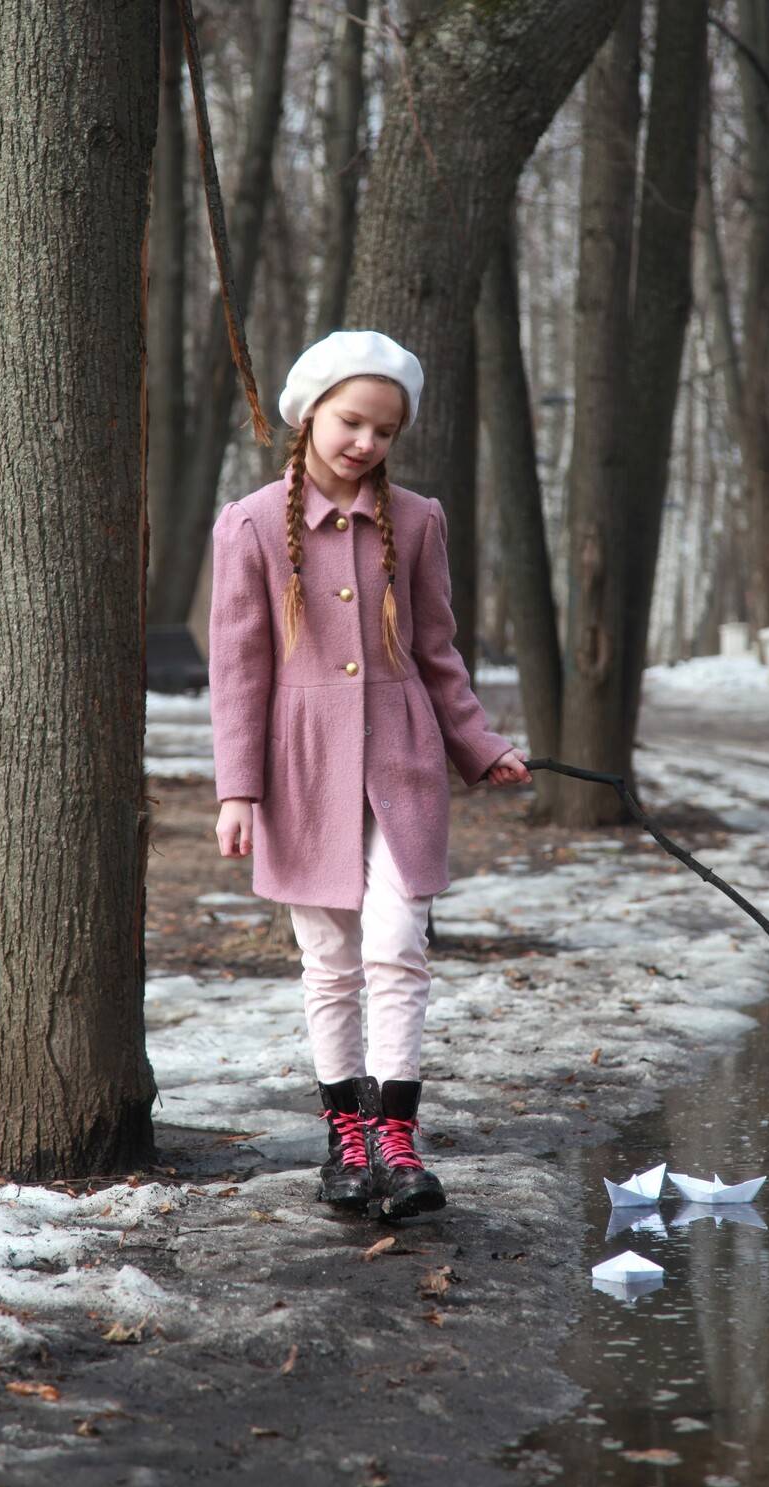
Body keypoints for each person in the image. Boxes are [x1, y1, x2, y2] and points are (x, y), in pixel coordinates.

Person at [209, 329, 531, 1219]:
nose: (366, 442)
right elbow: (237, 672)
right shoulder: (250, 525)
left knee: (398, 944)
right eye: (352, 421)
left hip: (404, 764)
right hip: (301, 771)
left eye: (385, 431)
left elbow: (439, 654)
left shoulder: (418, 520)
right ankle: (344, 1140)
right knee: (329, 961)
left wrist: (479, 745)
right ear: (310, 413)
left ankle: (397, 1137)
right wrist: (238, 790)